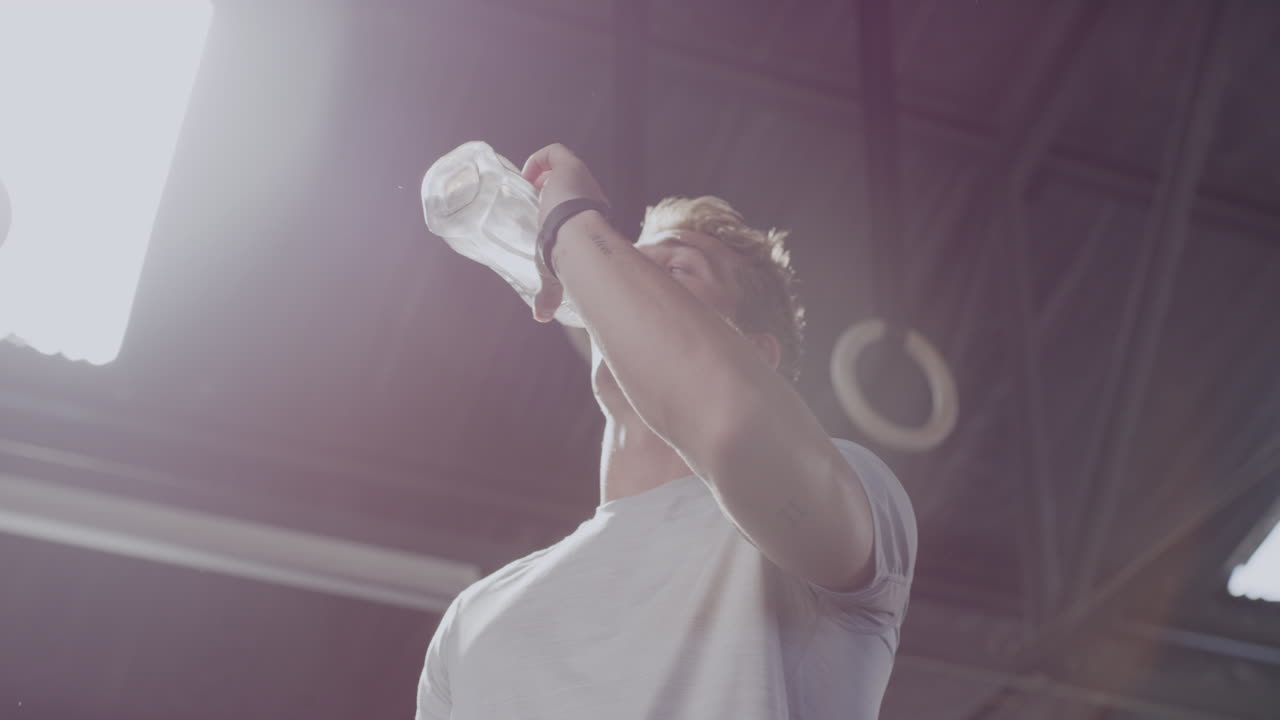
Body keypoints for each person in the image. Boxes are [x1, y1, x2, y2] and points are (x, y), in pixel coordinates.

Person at [416, 143, 916, 720]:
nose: (614, 284)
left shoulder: (852, 489)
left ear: (757, 352)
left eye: (675, 268)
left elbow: (731, 425)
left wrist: (573, 223)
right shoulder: (475, 617)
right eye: (623, 264)